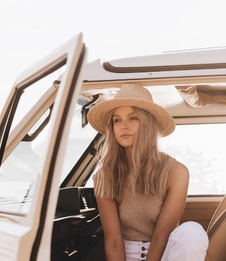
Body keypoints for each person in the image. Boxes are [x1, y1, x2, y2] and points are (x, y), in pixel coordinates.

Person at [87, 84, 208, 261]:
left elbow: (161, 237)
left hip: (164, 254)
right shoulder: (103, 176)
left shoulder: (176, 172)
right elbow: (113, 241)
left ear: (148, 123)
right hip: (125, 255)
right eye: (117, 120)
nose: (123, 126)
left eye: (133, 118)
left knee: (192, 232)